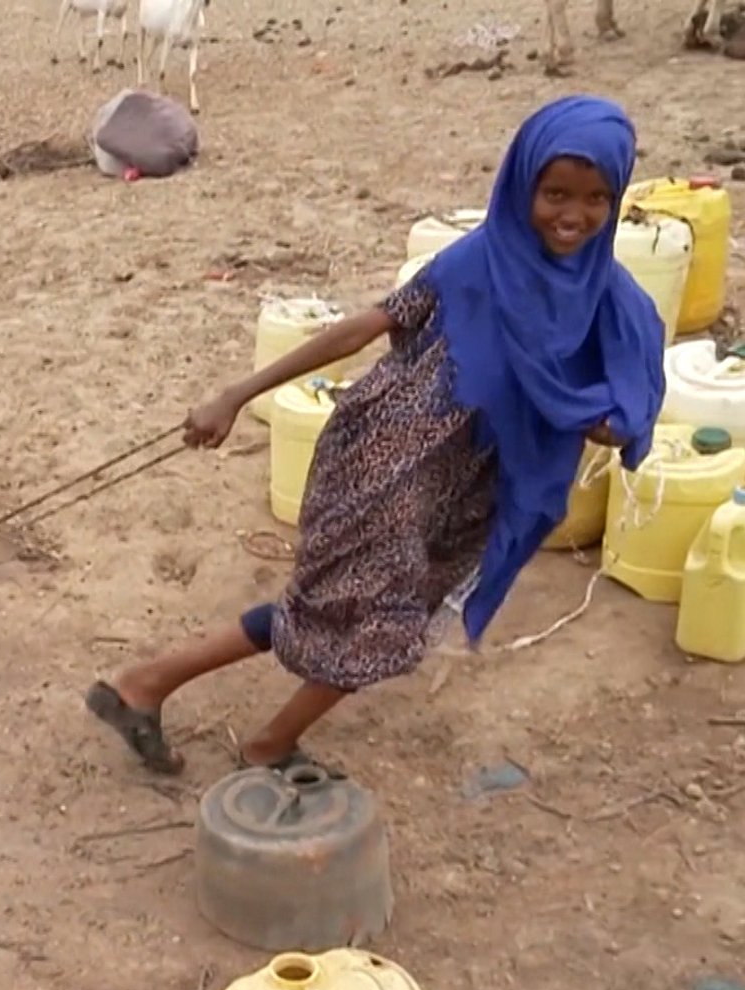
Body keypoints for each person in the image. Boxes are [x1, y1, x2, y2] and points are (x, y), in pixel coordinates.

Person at [85, 95, 665, 776]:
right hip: (388, 465)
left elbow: (622, 396)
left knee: (342, 610)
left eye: (597, 197)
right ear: (522, 182)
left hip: (471, 491)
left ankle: (145, 684)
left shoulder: (609, 297)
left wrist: (608, 423)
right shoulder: (476, 263)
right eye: (556, 192)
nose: (574, 214)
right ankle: (265, 742)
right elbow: (366, 324)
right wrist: (237, 394)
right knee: (378, 626)